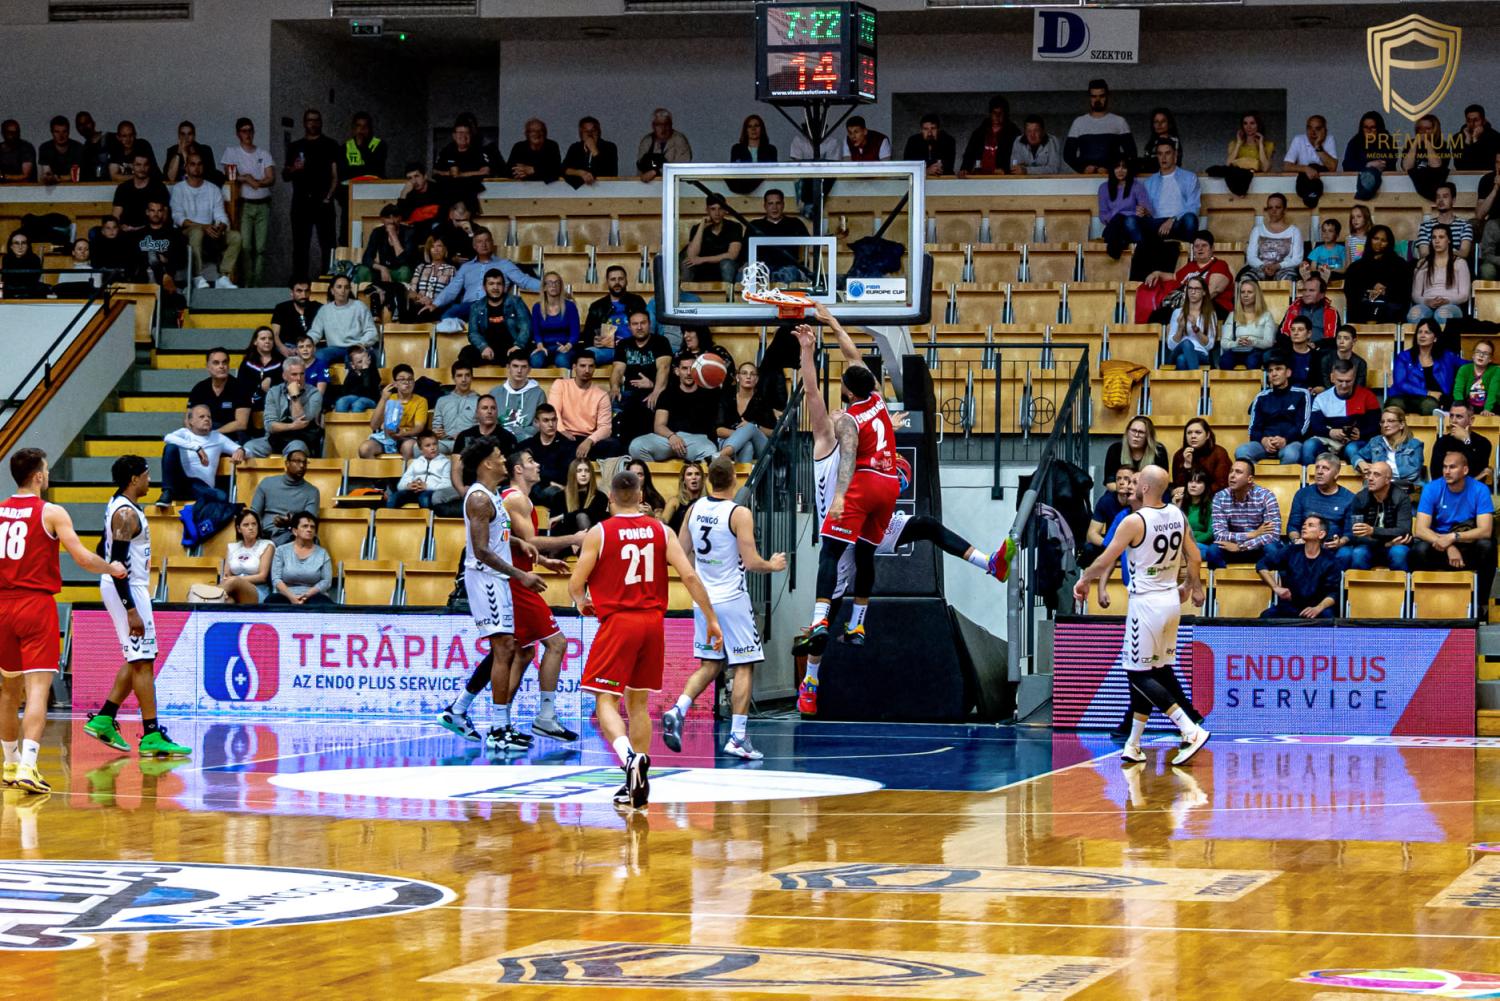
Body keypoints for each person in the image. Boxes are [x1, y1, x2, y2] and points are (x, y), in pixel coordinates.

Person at [572, 469, 720, 808]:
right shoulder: (662, 530)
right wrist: (711, 618)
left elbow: (576, 584)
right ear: (641, 497)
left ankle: (629, 760)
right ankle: (635, 785)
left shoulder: (599, 532)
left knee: (605, 701)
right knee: (637, 705)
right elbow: (690, 576)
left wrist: (582, 602)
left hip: (619, 623)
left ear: (610, 498)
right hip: (653, 624)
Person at [0, 448, 127, 793]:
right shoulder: (51, 512)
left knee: (9, 691)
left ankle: (9, 764)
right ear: (39, 476)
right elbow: (83, 558)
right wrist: (112, 568)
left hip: (3, 605)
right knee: (37, 689)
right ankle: (28, 766)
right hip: (34, 605)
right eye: (46, 469)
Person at [1073, 467, 1210, 765]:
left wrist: (1084, 580)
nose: (1130, 485)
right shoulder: (1177, 514)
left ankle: (1190, 730)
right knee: (1152, 671)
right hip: (1171, 601)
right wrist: (1190, 585)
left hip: (1146, 604)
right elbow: (1195, 556)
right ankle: (1133, 743)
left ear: (1145, 488)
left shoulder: (1135, 521)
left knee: (1137, 673)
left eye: (1137, 481)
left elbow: (1105, 559)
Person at [660, 455, 788, 760]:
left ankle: (678, 709)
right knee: (745, 663)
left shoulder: (694, 509)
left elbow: (679, 551)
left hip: (703, 600)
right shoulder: (738, 513)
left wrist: (701, 570)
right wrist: (773, 564)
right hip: (732, 600)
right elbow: (752, 562)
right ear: (734, 480)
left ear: (708, 480)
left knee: (710, 665)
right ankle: (738, 737)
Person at [457, 448, 579, 746]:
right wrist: (523, 573)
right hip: (494, 578)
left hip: (505, 577)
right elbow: (482, 549)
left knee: (517, 651)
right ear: (487, 463)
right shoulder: (489, 498)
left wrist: (532, 553)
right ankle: (503, 725)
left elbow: (500, 537)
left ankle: (480, 716)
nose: (504, 460)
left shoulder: (494, 496)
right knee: (519, 648)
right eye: (499, 456)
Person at [82, 455, 192, 760]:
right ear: (134, 479)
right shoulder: (126, 514)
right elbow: (117, 565)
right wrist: (130, 608)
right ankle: (151, 734)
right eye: (146, 474)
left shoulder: (119, 505)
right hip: (127, 589)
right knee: (143, 661)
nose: (149, 479)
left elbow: (102, 548)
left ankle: (105, 717)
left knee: (140, 658)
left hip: (129, 587)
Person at [1411, 449, 1496, 613]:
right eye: (1444, 467)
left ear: (1465, 470)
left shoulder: (1480, 489)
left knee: (1487, 545)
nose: (1447, 471)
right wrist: (1449, 546)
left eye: (1452, 467)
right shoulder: (1432, 488)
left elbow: (1485, 530)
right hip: (1439, 545)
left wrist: (1453, 537)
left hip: (1467, 544)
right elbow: (1420, 530)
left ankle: (1480, 605)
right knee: (1418, 549)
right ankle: (1424, 603)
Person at [628, 353, 722, 463]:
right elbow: (659, 425)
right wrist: (672, 436)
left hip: (695, 440)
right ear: (677, 371)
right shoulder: (667, 394)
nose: (688, 373)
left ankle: (692, 472)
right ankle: (655, 474)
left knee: (710, 451)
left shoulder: (708, 394)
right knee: (636, 446)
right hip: (668, 439)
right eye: (684, 368)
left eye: (692, 368)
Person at [283, 109, 340, 282]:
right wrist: (294, 168)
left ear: (321, 122)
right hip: (301, 202)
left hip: (323, 202)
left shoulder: (330, 145)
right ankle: (300, 283)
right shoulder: (295, 147)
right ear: (304, 123)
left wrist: (328, 197)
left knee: (328, 245)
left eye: (316, 120)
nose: (313, 123)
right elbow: (285, 175)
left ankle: (329, 281)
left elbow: (336, 175)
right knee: (300, 246)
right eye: (309, 120)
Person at [219, 118, 276, 288]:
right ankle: (247, 284)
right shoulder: (232, 152)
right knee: (245, 247)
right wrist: (246, 178)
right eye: (244, 131)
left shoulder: (263, 153)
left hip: (263, 203)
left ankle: (257, 284)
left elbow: (271, 178)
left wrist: (256, 182)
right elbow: (229, 175)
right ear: (238, 134)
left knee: (261, 248)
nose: (248, 134)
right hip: (245, 204)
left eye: (250, 130)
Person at [436, 230, 542, 321]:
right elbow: (452, 289)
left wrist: (546, 286)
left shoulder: (504, 264)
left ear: (492, 243)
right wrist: (435, 303)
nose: (484, 244)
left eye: (487, 241)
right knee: (447, 316)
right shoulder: (466, 267)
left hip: (493, 305)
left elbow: (524, 281)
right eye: (479, 241)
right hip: (469, 306)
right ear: (474, 246)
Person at [170, 153, 239, 289]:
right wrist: (203, 226)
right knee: (197, 232)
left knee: (235, 237)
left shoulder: (213, 189)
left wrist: (220, 227)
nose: (196, 167)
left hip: (210, 232)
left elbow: (221, 216)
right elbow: (178, 218)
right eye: (192, 164)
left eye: (199, 164)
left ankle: (223, 277)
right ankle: (198, 276)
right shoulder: (179, 188)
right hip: (186, 233)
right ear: (186, 167)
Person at [1138, 230, 1234, 323]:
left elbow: (1212, 291)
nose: (1200, 249)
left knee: (1170, 315)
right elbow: (1174, 277)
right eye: (1197, 246)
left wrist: (1187, 305)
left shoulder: (1220, 265)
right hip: (1186, 304)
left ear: (1212, 248)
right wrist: (1157, 273)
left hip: (1211, 306)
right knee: (1156, 315)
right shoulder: (1190, 266)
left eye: (1204, 245)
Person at [161, 404, 245, 508]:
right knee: (170, 448)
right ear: (191, 421)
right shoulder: (184, 433)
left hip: (201, 488)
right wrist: (197, 448)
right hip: (181, 483)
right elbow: (167, 438)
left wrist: (241, 450)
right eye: (202, 417)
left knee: (222, 496)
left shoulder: (218, 437)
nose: (206, 419)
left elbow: (247, 451)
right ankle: (167, 493)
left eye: (209, 417)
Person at [1202, 459, 1281, 568]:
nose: (1232, 475)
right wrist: (1252, 534)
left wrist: (1241, 547)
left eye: (1238, 472)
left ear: (1250, 479)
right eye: (1231, 471)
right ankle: (1225, 577)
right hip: (1231, 547)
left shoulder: (1266, 496)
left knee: (1273, 549)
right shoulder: (1220, 497)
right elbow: (1219, 534)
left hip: (1258, 547)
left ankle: (1265, 574)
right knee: (1212, 551)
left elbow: (1273, 535)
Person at [1257, 514, 1340, 619]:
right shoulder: (1290, 551)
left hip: (1317, 609)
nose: (1304, 527)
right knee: (1266, 616)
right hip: (1290, 607)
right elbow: (1262, 564)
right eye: (1304, 525)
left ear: (1321, 534)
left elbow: (1333, 593)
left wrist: (1318, 608)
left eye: (1310, 525)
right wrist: (1276, 587)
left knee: (1329, 619)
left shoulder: (1331, 560)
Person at [611, 310, 674, 444]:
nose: (639, 327)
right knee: (613, 402)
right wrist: (615, 387)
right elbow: (618, 370)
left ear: (649, 324)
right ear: (629, 326)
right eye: (635, 324)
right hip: (630, 393)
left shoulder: (660, 341)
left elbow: (664, 368)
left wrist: (655, 391)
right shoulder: (623, 344)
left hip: (654, 392)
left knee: (651, 406)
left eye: (643, 323)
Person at [1283, 453, 1357, 568]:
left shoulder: (1349, 498)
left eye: (1325, 468)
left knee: (1346, 553)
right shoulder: (1302, 494)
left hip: (1333, 548)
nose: (1319, 472)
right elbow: (1293, 526)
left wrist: (1340, 542)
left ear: (1336, 474)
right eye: (1317, 467)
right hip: (1306, 546)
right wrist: (1297, 540)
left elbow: (1349, 532)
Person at [1238, 355, 1312, 464]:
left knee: (1291, 454)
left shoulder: (1302, 394)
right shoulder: (1261, 397)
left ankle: (1282, 476)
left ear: (1288, 373)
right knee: (1242, 451)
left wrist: (1285, 439)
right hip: (1265, 443)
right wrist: (1263, 440)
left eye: (1278, 369)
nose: (1274, 374)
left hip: (1291, 442)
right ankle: (1255, 475)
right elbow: (1253, 429)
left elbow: (1303, 426)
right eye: (1270, 371)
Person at [246, 357, 323, 458]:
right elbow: (270, 425)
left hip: (300, 439)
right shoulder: (274, 392)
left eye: (302, 374)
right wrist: (292, 426)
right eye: (294, 374)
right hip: (274, 438)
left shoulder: (314, 393)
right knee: (248, 448)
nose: (299, 378)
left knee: (296, 451)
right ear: (284, 376)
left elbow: (301, 420)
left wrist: (295, 396)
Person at [549, 351, 620, 460]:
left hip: (588, 438)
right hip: (563, 435)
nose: (587, 370)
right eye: (582, 366)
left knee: (614, 445)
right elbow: (553, 411)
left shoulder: (601, 395)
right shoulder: (560, 385)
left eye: (590, 366)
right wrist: (562, 431)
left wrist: (590, 440)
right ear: (574, 367)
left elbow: (605, 428)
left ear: (594, 368)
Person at [1308, 358, 1380, 465]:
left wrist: (1361, 433)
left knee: (1352, 449)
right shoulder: (1321, 398)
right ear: (1332, 378)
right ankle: (1310, 476)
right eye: (1340, 381)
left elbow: (1376, 425)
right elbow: (1315, 425)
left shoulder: (1368, 396)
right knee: (1309, 446)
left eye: (1348, 381)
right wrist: (1330, 432)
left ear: (1354, 378)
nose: (1344, 385)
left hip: (1356, 442)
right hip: (1328, 441)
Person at [250, 443, 322, 545]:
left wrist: (291, 522)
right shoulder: (267, 483)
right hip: (265, 535)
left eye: (304, 462)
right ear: (287, 463)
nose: (302, 466)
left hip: (294, 535)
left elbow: (309, 522)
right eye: (297, 461)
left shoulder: (312, 491)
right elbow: (254, 514)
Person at [1347, 461, 1413, 572]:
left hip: (1395, 546)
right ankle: (1359, 584)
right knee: (1359, 553)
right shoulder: (1360, 498)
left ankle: (1401, 584)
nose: (1370, 478)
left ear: (1387, 480)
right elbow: (1356, 535)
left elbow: (1403, 531)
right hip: (1371, 545)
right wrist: (1386, 544)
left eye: (1376, 475)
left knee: (1399, 553)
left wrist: (1373, 531)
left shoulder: (1401, 498)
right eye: (1369, 474)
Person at [1388, 319, 1459, 417]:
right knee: (1395, 405)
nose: (1422, 335)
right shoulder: (1404, 357)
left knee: (1429, 405)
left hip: (1429, 400)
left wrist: (1481, 358)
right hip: (1403, 396)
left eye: (1427, 332)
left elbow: (1468, 365)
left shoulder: (1446, 357)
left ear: (1435, 338)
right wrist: (1428, 393)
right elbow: (1400, 384)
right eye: (1419, 332)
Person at [1063, 79, 1135, 175]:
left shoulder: (1119, 122)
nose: (1097, 100)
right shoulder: (1078, 122)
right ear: (1089, 97)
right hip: (1086, 178)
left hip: (1111, 178)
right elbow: (1068, 155)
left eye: (1101, 96)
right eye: (1094, 96)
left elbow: (1131, 154)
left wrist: (1111, 169)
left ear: (1107, 96)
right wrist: (1082, 168)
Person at [1343, 225, 1412, 324]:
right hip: (1362, 307)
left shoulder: (1400, 265)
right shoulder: (1356, 267)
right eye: (1376, 239)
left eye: (1383, 240)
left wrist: (1385, 291)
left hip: (1390, 308)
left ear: (1389, 243)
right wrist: (1368, 291)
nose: (1379, 243)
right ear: (1370, 240)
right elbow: (1350, 291)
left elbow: (1404, 291)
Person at [357, 203, 416, 316]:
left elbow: (404, 260)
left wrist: (393, 236)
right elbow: (367, 258)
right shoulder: (377, 232)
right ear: (382, 219)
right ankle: (364, 307)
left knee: (404, 270)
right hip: (384, 270)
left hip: (400, 270)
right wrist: (382, 268)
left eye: (395, 217)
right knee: (362, 270)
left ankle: (400, 307)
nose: (392, 220)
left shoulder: (409, 232)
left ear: (400, 218)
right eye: (388, 217)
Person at [583, 266, 648, 365]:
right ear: (607, 283)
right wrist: (594, 341)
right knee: (586, 356)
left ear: (626, 281)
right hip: (607, 350)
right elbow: (587, 335)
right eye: (613, 279)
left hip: (632, 348)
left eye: (620, 279)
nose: (617, 283)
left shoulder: (637, 302)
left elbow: (646, 328)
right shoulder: (597, 306)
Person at [1408, 223, 1471, 328]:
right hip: (1426, 303)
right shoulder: (1423, 263)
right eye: (1434, 237)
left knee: (1442, 314)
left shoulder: (1460, 263)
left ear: (1449, 240)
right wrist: (1426, 301)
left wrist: (1447, 301)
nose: (1437, 241)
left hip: (1451, 304)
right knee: (1414, 315)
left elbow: (1464, 295)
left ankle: (1442, 340)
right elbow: (1415, 294)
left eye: (1441, 237)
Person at [307, 274, 379, 365]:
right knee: (319, 355)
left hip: (356, 347)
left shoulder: (359, 306)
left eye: (346, 287)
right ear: (332, 290)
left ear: (349, 290)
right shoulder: (324, 310)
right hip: (334, 349)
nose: (343, 290)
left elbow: (371, 331)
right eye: (339, 287)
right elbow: (315, 332)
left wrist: (361, 344)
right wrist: (306, 343)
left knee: (353, 358)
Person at [266, 512, 335, 606]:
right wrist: (291, 597)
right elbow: (276, 579)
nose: (309, 529)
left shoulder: (322, 553)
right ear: (295, 531)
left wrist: (307, 594)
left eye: (312, 527)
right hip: (285, 594)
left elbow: (326, 581)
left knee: (324, 605)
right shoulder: (281, 551)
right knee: (271, 602)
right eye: (305, 526)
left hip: (314, 595)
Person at [744, 188, 811, 284]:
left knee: (790, 273)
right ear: (765, 206)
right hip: (762, 269)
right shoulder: (754, 225)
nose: (774, 207)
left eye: (778, 203)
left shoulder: (795, 223)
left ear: (783, 205)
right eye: (770, 204)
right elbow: (745, 251)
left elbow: (808, 247)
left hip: (788, 269)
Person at [1141, 140, 1201, 246]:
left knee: (1190, 219)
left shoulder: (1189, 178)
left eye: (1167, 153)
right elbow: (1148, 211)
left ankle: (1189, 252)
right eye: (1160, 154)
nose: (1163, 158)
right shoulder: (1149, 182)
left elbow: (1193, 207)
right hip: (1157, 224)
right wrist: (1144, 211)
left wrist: (1172, 219)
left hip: (1178, 223)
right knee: (1134, 221)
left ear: (1175, 155)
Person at [361, 364, 428, 458]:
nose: (407, 382)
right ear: (395, 383)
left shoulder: (421, 401)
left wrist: (404, 433)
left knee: (409, 447)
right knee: (365, 448)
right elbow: (374, 425)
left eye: (410, 379)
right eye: (402, 379)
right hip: (385, 436)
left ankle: (404, 468)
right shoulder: (388, 398)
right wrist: (383, 399)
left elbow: (419, 427)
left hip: (407, 437)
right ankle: (378, 468)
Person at [187, 347, 252, 440]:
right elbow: (188, 419)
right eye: (216, 363)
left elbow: (241, 424)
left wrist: (213, 434)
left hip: (231, 436)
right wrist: (196, 436)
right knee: (171, 446)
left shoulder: (241, 388)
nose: (221, 366)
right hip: (204, 434)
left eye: (224, 362)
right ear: (208, 367)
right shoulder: (200, 388)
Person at [517, 404, 572, 513]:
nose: (551, 424)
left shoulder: (567, 446)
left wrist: (539, 476)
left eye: (553, 420)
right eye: (546, 420)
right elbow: (519, 472)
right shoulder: (525, 446)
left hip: (555, 492)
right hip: (531, 488)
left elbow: (564, 475)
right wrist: (548, 481)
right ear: (536, 423)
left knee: (554, 492)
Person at [1355, 406, 1426, 491]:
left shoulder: (1414, 444)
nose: (1385, 425)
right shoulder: (1375, 442)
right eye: (1382, 422)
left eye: (1390, 421)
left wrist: (1378, 470)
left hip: (1406, 487)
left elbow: (1412, 473)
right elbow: (1356, 455)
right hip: (1380, 486)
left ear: (1401, 425)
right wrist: (1360, 462)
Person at [718, 362, 777, 462]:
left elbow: (773, 432)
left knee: (750, 426)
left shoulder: (763, 401)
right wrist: (743, 435)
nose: (748, 376)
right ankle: (746, 474)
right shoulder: (727, 399)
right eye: (744, 373)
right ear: (737, 377)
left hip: (760, 446)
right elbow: (719, 430)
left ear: (756, 379)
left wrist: (754, 428)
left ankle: (719, 456)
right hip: (729, 441)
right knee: (747, 445)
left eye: (752, 374)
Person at [1207, 111, 1274, 197]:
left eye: (1252, 123)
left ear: (1258, 125)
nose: (1248, 127)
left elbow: (1265, 168)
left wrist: (1260, 145)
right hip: (1237, 187)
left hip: (1260, 187)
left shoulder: (1268, 145)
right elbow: (1228, 165)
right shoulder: (1234, 144)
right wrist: (1238, 143)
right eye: (1245, 123)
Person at [683, 194, 744, 284]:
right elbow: (691, 256)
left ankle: (728, 293)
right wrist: (701, 227)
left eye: (720, 209)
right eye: (713, 209)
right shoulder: (697, 228)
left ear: (725, 210)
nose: (717, 213)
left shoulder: (734, 227)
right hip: (703, 271)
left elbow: (732, 255)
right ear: (707, 210)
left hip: (726, 270)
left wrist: (702, 259)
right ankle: (687, 292)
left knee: (726, 264)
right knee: (686, 263)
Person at [1241, 193, 1303, 282]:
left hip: (1284, 269)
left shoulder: (1294, 231)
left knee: (1289, 280)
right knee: (1246, 279)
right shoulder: (1257, 230)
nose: (1273, 211)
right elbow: (1251, 257)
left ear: (1285, 210)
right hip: (1261, 268)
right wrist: (1263, 266)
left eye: (1278, 207)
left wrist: (1277, 266)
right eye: (1270, 208)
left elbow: (1297, 259)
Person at [1218, 277, 1278, 370]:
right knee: (1224, 361)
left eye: (1249, 292)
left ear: (1256, 295)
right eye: (1242, 292)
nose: (1245, 295)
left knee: (1252, 361)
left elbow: (1269, 342)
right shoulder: (1233, 315)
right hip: (1236, 349)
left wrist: (1252, 342)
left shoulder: (1266, 316)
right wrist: (1237, 343)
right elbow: (1224, 343)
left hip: (1256, 349)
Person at [1098, 158, 1151, 262]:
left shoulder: (1137, 186)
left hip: (1132, 226)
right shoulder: (1104, 188)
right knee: (1118, 221)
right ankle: (1122, 242)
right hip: (1115, 225)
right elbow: (1103, 215)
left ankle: (1116, 246)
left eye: (1124, 167)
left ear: (1129, 169)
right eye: (1117, 167)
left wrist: (1121, 214)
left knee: (1126, 221)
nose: (1120, 170)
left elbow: (1145, 210)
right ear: (1112, 169)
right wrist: (1120, 215)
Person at [1431, 400, 1493, 486]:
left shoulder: (1483, 443)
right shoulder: (1442, 442)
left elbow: (1475, 471)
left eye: (1459, 417)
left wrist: (1466, 441)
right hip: (1445, 490)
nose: (1453, 421)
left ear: (1471, 420)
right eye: (1451, 416)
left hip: (1472, 491)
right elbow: (1436, 475)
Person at [389, 432, 458, 510]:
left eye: (435, 444)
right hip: (413, 491)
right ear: (420, 449)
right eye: (428, 445)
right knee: (393, 498)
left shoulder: (445, 462)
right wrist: (408, 485)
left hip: (432, 491)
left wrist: (427, 486)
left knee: (424, 499)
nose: (433, 448)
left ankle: (427, 518)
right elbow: (400, 484)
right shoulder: (416, 462)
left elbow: (447, 485)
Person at [1084, 467, 1136, 566]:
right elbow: (1091, 535)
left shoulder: (1139, 501)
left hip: (1134, 546)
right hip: (1111, 543)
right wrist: (1111, 545)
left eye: (1126, 479)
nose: (1121, 482)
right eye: (1118, 479)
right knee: (1088, 549)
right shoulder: (1106, 500)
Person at [1284, 115, 1338, 208]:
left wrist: (1318, 146)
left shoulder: (1329, 139)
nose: (1313, 132)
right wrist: (1305, 168)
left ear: (1324, 130)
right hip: (1304, 186)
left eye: (1317, 129)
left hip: (1322, 188)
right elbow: (1286, 166)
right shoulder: (1299, 139)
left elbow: (1332, 167)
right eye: (1309, 128)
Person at [221, 509, 273, 604]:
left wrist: (237, 580)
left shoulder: (267, 545)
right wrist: (234, 581)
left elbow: (262, 577)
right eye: (246, 525)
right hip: (234, 590)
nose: (251, 528)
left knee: (231, 583)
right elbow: (226, 576)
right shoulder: (232, 547)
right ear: (239, 529)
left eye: (254, 524)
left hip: (257, 591)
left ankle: (209, 597)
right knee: (227, 601)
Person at [529, 271, 580, 369]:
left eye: (557, 282)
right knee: (536, 361)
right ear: (544, 287)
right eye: (550, 283)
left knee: (561, 360)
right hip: (544, 346)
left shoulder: (570, 306)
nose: (554, 285)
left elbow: (575, 333)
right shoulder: (537, 307)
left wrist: (567, 346)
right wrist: (540, 345)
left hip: (565, 346)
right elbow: (536, 332)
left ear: (560, 286)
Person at [960, 95, 1021, 176]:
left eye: (1000, 113)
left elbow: (1018, 158)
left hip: (1003, 178)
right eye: (994, 113)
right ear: (990, 113)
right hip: (981, 177)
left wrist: (1006, 171)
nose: (997, 116)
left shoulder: (1013, 133)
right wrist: (965, 169)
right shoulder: (979, 133)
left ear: (1005, 114)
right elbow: (969, 154)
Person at [1165, 275, 1217, 370]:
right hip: (1178, 351)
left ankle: (1191, 378)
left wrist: (1196, 329)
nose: (1193, 292)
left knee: (1182, 359)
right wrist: (1180, 328)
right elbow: (1171, 346)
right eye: (1190, 288)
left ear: (1204, 292)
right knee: (1186, 343)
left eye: (1197, 289)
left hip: (1200, 354)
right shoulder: (1178, 313)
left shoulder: (1210, 314)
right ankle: (1197, 376)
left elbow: (1210, 345)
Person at [1170, 418, 1230, 496]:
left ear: (1207, 435)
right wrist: (1187, 465)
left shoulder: (1219, 453)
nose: (1193, 436)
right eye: (1189, 433)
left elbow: (1221, 485)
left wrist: (1193, 491)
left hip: (1213, 498)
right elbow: (1178, 487)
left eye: (1198, 432)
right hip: (1187, 499)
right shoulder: (1180, 454)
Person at [112, 153, 171, 233]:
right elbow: (115, 217)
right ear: (132, 166)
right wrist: (121, 227)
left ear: (149, 166)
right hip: (126, 232)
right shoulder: (123, 188)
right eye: (138, 165)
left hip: (151, 232)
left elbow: (164, 217)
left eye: (145, 165)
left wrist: (141, 229)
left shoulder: (159, 187)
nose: (142, 168)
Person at [493, 351, 545, 441]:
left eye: (524, 367)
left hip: (527, 440)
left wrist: (520, 436)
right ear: (508, 367)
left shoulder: (538, 394)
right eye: (515, 366)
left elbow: (539, 424)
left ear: (529, 369)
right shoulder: (495, 393)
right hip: (500, 440)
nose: (519, 371)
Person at [404, 236, 458, 322]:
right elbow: (411, 292)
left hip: (438, 307)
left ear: (445, 249)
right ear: (429, 250)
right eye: (432, 247)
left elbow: (452, 294)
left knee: (424, 314)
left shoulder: (451, 269)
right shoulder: (421, 267)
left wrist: (433, 301)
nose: (436, 249)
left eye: (439, 246)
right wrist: (420, 297)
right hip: (419, 304)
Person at [431, 361, 480, 454]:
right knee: (418, 449)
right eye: (459, 376)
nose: (464, 379)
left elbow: (482, 427)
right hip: (444, 442)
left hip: (468, 443)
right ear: (453, 378)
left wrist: (464, 435)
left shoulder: (479, 401)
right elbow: (436, 425)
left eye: (467, 375)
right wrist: (437, 432)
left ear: (472, 377)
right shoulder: (442, 401)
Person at [1344, 111, 1394, 201]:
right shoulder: (1355, 142)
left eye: (1372, 127)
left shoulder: (1387, 140)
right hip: (1356, 186)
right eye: (1366, 127)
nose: (1369, 130)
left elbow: (1387, 162)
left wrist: (1373, 166)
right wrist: (1367, 165)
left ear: (1379, 128)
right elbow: (1347, 165)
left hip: (1388, 187)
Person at [1402, 114, 1450, 202]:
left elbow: (1436, 166)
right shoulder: (1410, 143)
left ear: (1435, 130)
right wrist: (1415, 144)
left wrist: (1427, 143)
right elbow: (1406, 167)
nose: (1423, 132)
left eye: (1427, 128)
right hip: (1411, 189)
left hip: (1435, 189)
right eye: (1420, 128)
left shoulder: (1442, 144)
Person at [636, 108, 692, 182]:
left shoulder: (680, 140)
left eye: (666, 124)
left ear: (671, 125)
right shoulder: (647, 142)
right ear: (653, 126)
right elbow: (640, 169)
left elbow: (681, 168)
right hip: (649, 186)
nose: (663, 128)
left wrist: (655, 172)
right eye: (659, 125)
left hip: (675, 184)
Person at [1280, 274, 1339, 344]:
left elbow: (1333, 339)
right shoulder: (1293, 308)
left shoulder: (1331, 312)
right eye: (1304, 290)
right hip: (1294, 347)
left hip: (1321, 349)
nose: (1306, 294)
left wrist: (1315, 345)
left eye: (1311, 290)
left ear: (1322, 294)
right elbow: (1282, 335)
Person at [562, 116, 618, 188]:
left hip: (604, 189)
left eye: (593, 130)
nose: (590, 134)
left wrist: (594, 150)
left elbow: (611, 173)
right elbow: (563, 169)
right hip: (578, 191)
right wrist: (579, 173)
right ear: (581, 134)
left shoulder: (609, 147)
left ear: (598, 132)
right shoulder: (575, 147)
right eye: (586, 131)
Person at [270, 280, 320, 356]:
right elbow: (275, 334)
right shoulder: (281, 308)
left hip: (311, 347)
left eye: (306, 291)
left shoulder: (318, 307)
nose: (303, 295)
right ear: (292, 292)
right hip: (288, 347)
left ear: (310, 292)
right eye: (299, 291)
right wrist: (282, 348)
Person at [559, 458, 608, 536]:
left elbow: (592, 514)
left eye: (587, 471)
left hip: (591, 537)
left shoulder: (600, 496)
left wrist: (563, 516)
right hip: (567, 539)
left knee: (582, 517)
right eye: (579, 471)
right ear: (572, 473)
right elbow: (556, 526)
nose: (583, 474)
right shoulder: (559, 497)